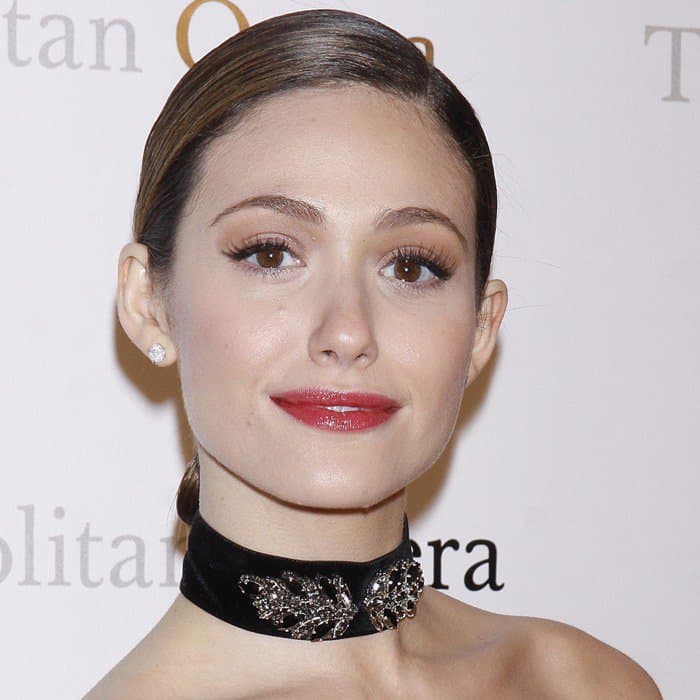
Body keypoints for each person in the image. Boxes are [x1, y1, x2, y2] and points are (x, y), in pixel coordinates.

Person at [85, 9, 662, 699]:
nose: (349, 330)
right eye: (271, 254)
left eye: (411, 267)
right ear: (149, 301)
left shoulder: (584, 683)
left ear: (481, 328)